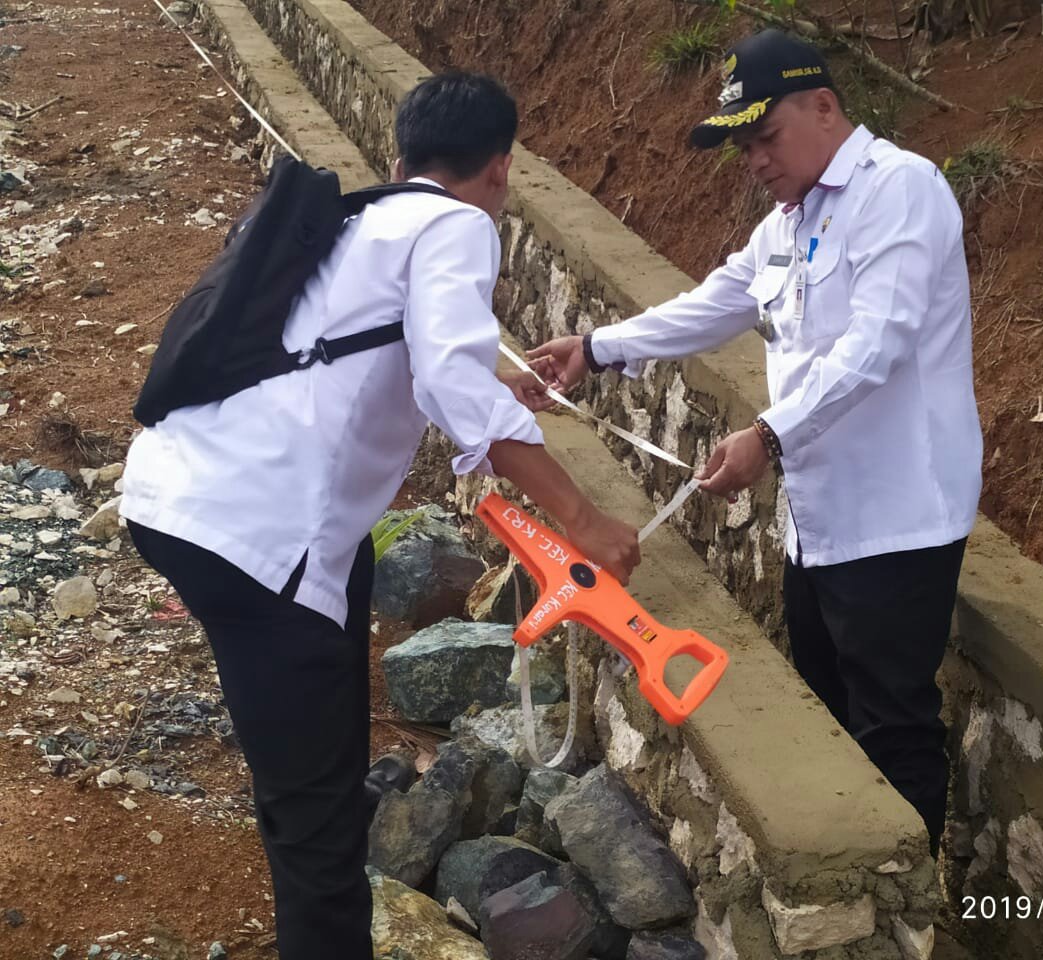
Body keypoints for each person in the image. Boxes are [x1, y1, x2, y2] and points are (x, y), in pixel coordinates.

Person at [120, 73, 640, 959]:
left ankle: (323, 774)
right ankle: (320, 838)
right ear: (500, 169)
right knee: (314, 830)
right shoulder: (458, 224)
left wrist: (490, 386)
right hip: (256, 533)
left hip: (177, 493)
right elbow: (448, 380)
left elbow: (372, 356)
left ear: (401, 157)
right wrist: (583, 520)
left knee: (344, 589)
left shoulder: (362, 218)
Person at [529, 29, 982, 856]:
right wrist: (596, 348)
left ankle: (901, 901)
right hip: (819, 523)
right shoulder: (790, 221)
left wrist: (769, 436)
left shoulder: (900, 191)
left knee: (893, 724)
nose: (755, 161)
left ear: (824, 106)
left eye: (765, 137)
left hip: (898, 521)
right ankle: (847, 865)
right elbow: (717, 302)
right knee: (826, 711)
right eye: (743, 148)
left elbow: (877, 345)